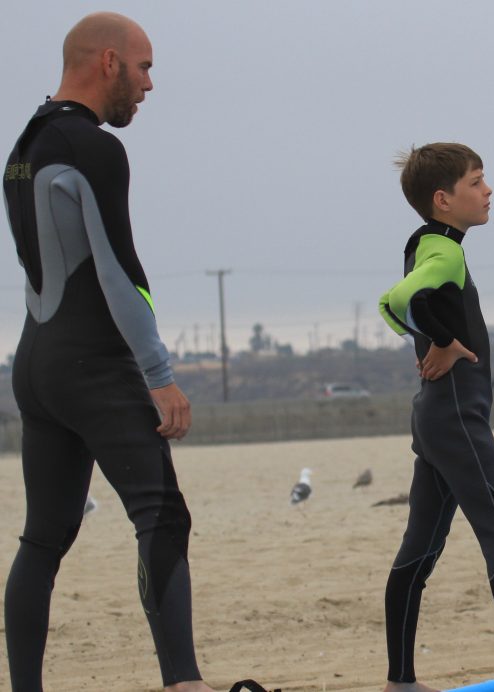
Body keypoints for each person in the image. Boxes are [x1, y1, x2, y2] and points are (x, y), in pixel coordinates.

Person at [2, 13, 268, 692]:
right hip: (94, 361)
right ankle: (184, 682)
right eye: (145, 67)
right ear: (110, 62)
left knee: (44, 536)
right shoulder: (91, 146)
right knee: (162, 513)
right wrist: (160, 375)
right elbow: (121, 272)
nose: (151, 84)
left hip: (35, 361)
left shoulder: (25, 145)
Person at [378, 143, 494, 691]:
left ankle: (401, 682)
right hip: (456, 416)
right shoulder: (444, 252)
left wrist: (434, 336)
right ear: (443, 199)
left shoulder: (429, 243)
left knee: (421, 548)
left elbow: (401, 305)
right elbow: (398, 299)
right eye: (476, 182)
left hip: (436, 417)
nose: (488, 190)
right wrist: (448, 343)